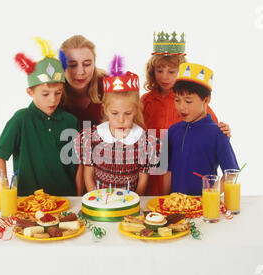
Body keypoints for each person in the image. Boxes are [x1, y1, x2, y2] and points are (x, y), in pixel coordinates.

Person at [141, 31, 231, 196]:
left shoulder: (193, 102)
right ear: (152, 71)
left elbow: (210, 131)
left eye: (171, 71)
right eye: (159, 70)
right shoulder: (145, 101)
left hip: (182, 170)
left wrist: (224, 132)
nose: (165, 77)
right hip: (152, 171)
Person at [0, 37, 83, 197]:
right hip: (29, 200)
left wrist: (78, 195)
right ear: (30, 92)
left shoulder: (71, 121)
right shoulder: (21, 119)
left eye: (58, 93)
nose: (53, 99)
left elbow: (78, 164)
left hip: (66, 199)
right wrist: (5, 189)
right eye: (45, 94)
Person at [74, 56, 157, 196]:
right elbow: (88, 175)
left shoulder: (143, 140)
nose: (121, 120)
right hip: (101, 204)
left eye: (128, 113)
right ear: (105, 109)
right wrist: (97, 199)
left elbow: (143, 180)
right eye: (114, 113)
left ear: (136, 110)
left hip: (129, 205)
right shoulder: (92, 138)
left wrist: (133, 202)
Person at [162, 62, 239, 196]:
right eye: (177, 100)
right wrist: (163, 200)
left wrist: (210, 197)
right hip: (176, 207)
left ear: (206, 100)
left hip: (204, 208)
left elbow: (231, 173)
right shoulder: (172, 131)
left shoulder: (217, 133)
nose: (181, 107)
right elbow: (168, 172)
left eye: (188, 101)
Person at [59, 35, 106, 127]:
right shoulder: (51, 89)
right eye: (72, 65)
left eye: (87, 64)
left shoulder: (109, 85)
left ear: (94, 64)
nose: (81, 72)